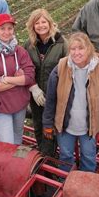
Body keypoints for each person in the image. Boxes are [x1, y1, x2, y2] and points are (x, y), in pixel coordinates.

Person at [42, 32, 99, 172]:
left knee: (89, 156)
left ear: (89, 49)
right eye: (73, 49)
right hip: (65, 125)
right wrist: (47, 123)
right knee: (66, 155)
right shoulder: (61, 67)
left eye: (80, 48)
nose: (76, 53)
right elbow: (51, 99)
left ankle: (85, 185)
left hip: (89, 127)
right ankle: (65, 182)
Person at [0, 13, 35, 145]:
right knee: (7, 144)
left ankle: (15, 165)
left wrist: (6, 79)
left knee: (17, 139)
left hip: (20, 105)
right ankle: (7, 165)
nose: (6, 32)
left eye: (10, 28)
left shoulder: (20, 51)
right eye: (2, 28)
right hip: (1, 107)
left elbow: (29, 76)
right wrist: (17, 80)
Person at [24, 9, 68, 156]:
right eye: (37, 23)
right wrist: (32, 87)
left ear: (50, 23)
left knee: (51, 127)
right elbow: (24, 68)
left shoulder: (61, 44)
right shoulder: (29, 45)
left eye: (44, 22)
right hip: (36, 94)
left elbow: (68, 70)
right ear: (32, 26)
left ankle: (48, 158)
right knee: (38, 124)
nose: (41, 25)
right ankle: (43, 154)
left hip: (54, 94)